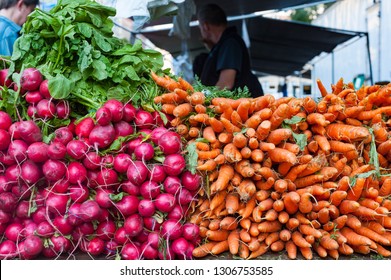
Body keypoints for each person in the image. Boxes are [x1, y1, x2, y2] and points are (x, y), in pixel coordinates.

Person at [196, 3, 263, 97]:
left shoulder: (230, 43)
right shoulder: (224, 44)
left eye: (200, 27)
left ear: (205, 26)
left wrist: (204, 100)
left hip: (238, 108)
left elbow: (226, 84)